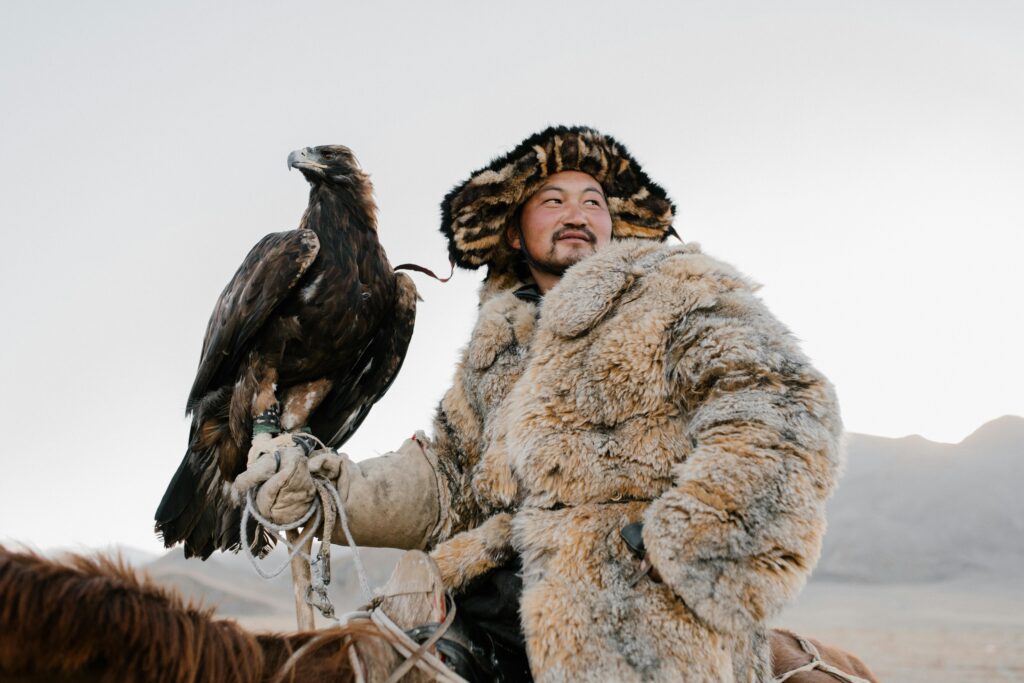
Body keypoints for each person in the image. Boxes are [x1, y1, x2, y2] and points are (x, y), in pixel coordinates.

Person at [238, 126, 844, 682]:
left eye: (593, 201)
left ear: (615, 226)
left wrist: (683, 543)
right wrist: (326, 490)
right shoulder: (494, 349)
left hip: (638, 611)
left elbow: (783, 412)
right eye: (552, 201)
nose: (576, 213)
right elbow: (449, 480)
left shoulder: (679, 294)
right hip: (485, 615)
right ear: (513, 229)